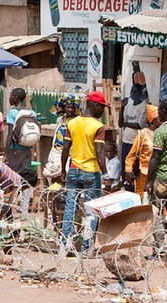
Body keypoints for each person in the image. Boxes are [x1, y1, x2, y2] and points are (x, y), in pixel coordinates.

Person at [60, 91, 108, 255]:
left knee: (70, 208)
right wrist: (106, 173)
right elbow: (100, 152)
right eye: (102, 107)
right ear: (94, 106)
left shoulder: (72, 123)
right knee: (91, 210)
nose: (102, 111)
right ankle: (86, 248)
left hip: (73, 170)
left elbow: (65, 149)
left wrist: (62, 170)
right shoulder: (98, 126)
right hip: (91, 173)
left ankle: (64, 245)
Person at [147, 98, 167, 237]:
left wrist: (148, 180)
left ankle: (160, 247)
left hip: (162, 179)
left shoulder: (161, 131)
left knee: (157, 212)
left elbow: (155, 157)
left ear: (163, 111)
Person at [5, 88, 37, 187]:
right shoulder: (31, 113)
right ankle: (25, 201)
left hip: (14, 149)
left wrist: (6, 152)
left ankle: (13, 200)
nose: (9, 98)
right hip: (27, 149)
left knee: (13, 176)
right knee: (26, 176)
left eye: (11, 96)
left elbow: (10, 134)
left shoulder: (12, 113)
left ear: (15, 97)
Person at [120, 67, 150, 173]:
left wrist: (127, 124)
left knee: (133, 168)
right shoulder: (128, 104)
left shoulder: (144, 106)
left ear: (139, 93)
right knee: (125, 166)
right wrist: (122, 108)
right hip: (125, 140)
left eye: (134, 92)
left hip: (135, 141)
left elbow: (140, 125)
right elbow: (120, 124)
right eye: (131, 92)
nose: (132, 94)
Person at [125, 105, 159, 195]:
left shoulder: (165, 133)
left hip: (159, 174)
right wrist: (128, 170)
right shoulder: (143, 134)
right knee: (142, 201)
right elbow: (132, 154)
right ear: (152, 120)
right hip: (143, 174)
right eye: (158, 118)